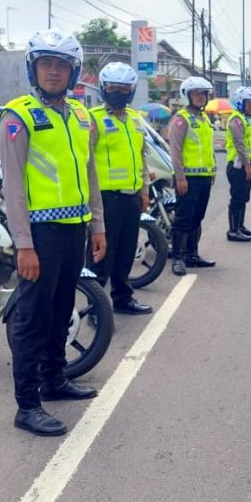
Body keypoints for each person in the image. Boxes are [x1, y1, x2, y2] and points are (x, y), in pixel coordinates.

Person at [0, 29, 107, 437]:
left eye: (62, 65)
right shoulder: (18, 116)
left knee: (62, 311)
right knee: (33, 319)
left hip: (74, 230)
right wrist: (24, 245)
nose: (54, 72)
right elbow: (12, 188)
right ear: (33, 67)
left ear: (74, 71)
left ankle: (55, 380)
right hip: (39, 235)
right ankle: (27, 405)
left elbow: (90, 175)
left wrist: (97, 226)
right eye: (46, 64)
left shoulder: (82, 116)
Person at [88, 62, 152, 316]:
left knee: (126, 253)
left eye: (124, 88)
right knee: (101, 256)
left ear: (132, 91)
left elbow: (142, 156)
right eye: (112, 87)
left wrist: (144, 189)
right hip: (105, 199)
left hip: (131, 198)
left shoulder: (136, 120)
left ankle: (123, 299)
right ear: (103, 89)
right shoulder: (93, 118)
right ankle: (96, 307)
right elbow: (86, 160)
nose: (118, 92)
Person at [167, 76, 217, 276]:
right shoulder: (181, 119)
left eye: (203, 94)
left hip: (204, 178)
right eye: (196, 94)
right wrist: (180, 178)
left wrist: (212, 171)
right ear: (187, 95)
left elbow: (208, 149)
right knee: (183, 219)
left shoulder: (204, 119)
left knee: (197, 217)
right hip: (187, 179)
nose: (201, 98)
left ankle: (192, 254)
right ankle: (177, 258)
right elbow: (176, 151)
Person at [225, 86, 251, 242]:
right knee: (237, 198)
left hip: (247, 165)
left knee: (243, 197)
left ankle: (240, 226)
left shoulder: (247, 119)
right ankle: (233, 230)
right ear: (240, 102)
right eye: (249, 103)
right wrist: (247, 165)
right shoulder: (236, 120)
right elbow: (239, 144)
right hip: (238, 165)